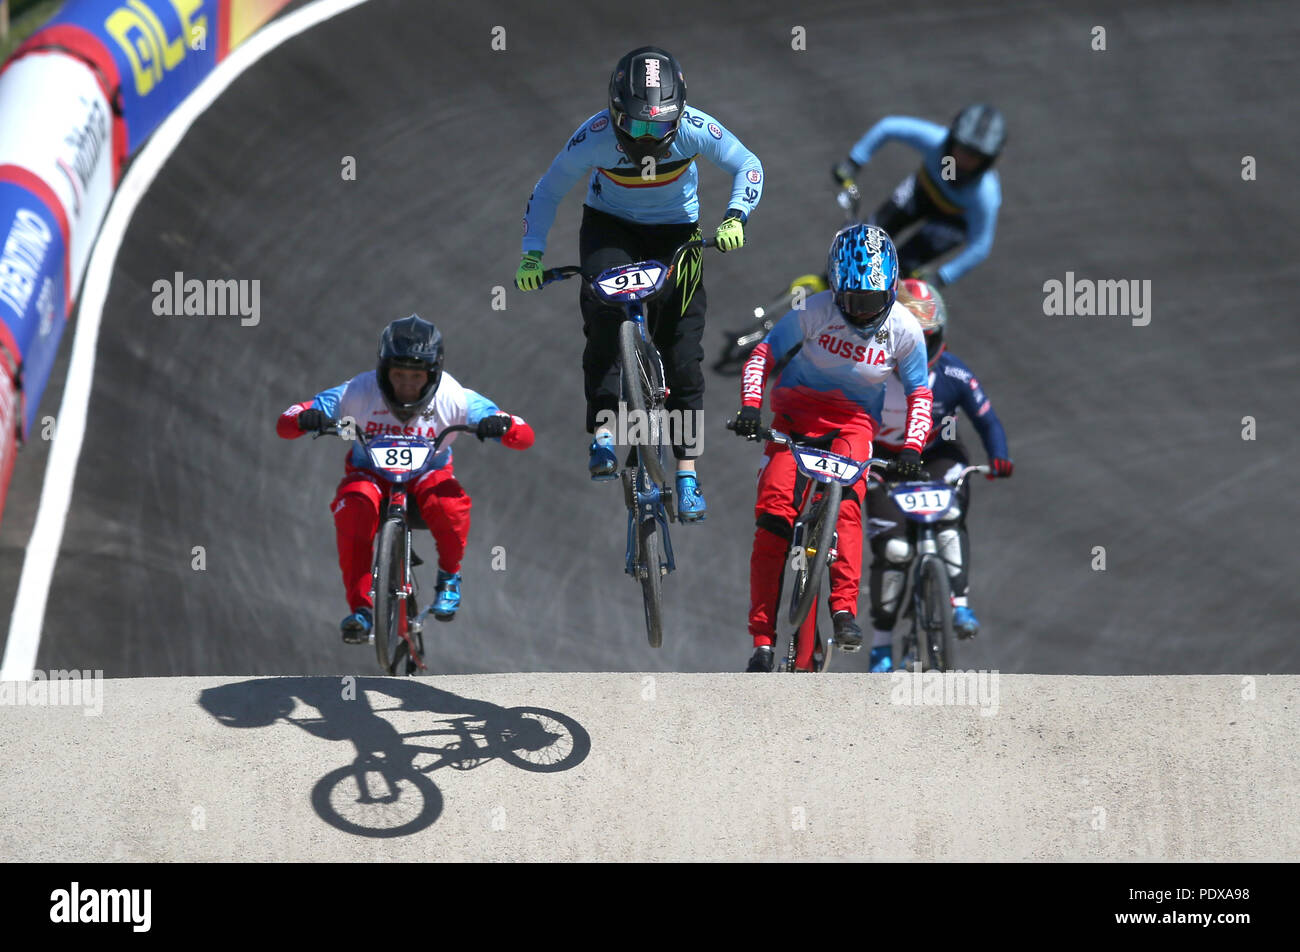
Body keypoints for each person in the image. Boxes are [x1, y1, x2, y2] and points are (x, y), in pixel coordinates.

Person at [514, 46, 763, 522]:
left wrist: (736, 216)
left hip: (677, 231)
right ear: (614, 113)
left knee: (684, 355)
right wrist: (532, 252)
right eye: (638, 126)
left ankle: (687, 472)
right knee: (605, 326)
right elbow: (548, 190)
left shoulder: (695, 126)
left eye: (660, 128)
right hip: (612, 226)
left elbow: (747, 164)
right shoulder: (592, 136)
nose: (648, 139)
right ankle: (605, 434)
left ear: (679, 115)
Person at [733, 224, 934, 672]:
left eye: (872, 301)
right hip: (793, 422)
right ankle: (762, 639)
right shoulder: (814, 309)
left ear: (890, 290)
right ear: (835, 289)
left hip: (853, 425)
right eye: (852, 301)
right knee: (772, 518)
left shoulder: (904, 328)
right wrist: (751, 406)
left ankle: (843, 610)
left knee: (847, 507)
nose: (862, 313)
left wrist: (912, 448)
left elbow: (920, 393)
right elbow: (764, 353)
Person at [276, 315, 534, 643]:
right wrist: (306, 418)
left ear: (434, 374)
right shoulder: (357, 390)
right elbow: (287, 419)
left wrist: (502, 426)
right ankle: (361, 610)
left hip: (428, 474)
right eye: (399, 375)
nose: (408, 385)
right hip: (369, 474)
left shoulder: (455, 397)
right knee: (353, 509)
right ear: (384, 371)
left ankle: (450, 578)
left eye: (417, 376)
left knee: (448, 503)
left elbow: (523, 434)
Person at [863, 280, 1013, 672]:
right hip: (884, 461)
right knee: (895, 550)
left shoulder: (954, 372)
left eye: (927, 339)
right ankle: (881, 643)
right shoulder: (869, 368)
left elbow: (987, 420)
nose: (920, 349)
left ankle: (959, 605)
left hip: (936, 456)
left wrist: (999, 456)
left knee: (948, 519)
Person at [831, 104, 1005, 287]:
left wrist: (942, 277)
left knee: (901, 268)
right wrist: (854, 162)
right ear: (952, 140)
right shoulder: (936, 140)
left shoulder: (986, 196)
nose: (963, 161)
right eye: (962, 150)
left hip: (951, 221)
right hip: (922, 191)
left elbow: (980, 246)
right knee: (867, 236)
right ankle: (830, 280)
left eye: (974, 156)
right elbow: (888, 127)